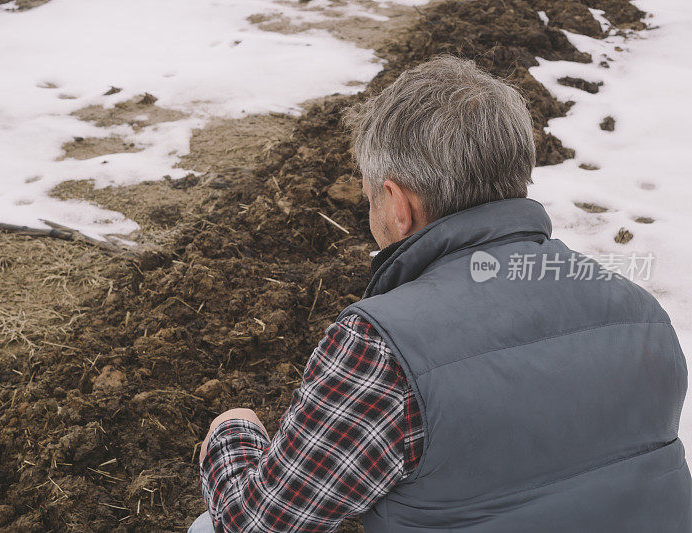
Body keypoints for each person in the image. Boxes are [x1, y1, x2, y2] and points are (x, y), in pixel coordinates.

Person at [189, 56, 692, 533]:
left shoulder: (382, 347)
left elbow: (260, 523)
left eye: (370, 201)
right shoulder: (642, 313)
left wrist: (232, 432)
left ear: (397, 204)